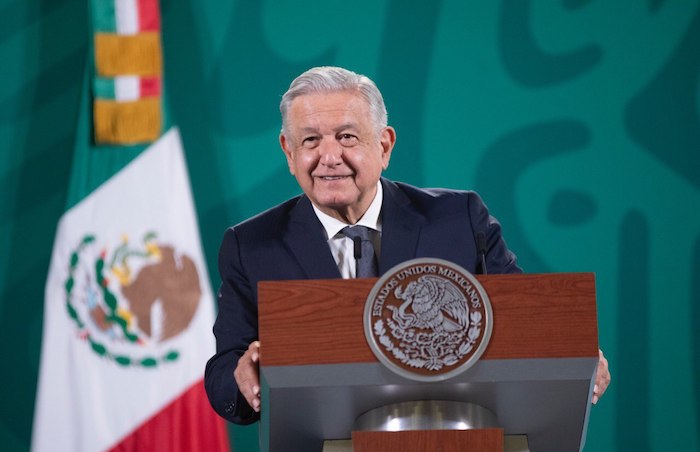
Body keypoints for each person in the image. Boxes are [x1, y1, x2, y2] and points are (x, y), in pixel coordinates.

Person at [204, 66, 611, 425]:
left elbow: (522, 323)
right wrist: (245, 375)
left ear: (384, 146)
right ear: (289, 152)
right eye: (310, 140)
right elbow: (224, 371)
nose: (329, 157)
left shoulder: (460, 219)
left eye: (347, 137)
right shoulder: (250, 245)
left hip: (457, 442)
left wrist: (572, 353)